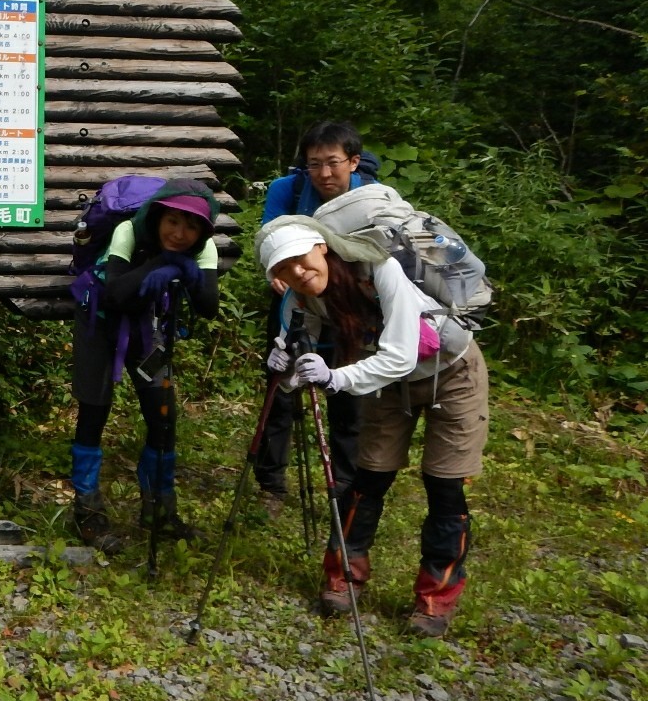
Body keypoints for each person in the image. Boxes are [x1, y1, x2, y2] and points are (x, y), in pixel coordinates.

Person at [257, 217, 490, 637]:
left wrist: (335, 378)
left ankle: (435, 600)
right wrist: (286, 366)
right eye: (283, 268)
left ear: (321, 247)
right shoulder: (298, 299)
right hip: (389, 384)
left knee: (445, 486)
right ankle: (343, 577)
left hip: (452, 373)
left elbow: (400, 354)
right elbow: (294, 355)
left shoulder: (380, 268)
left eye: (300, 258)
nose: (297, 271)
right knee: (369, 478)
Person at [69, 179, 220, 553]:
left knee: (163, 420)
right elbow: (116, 294)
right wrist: (167, 262)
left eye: (191, 226)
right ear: (157, 217)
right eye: (172, 221)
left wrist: (185, 267)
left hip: (149, 330)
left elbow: (208, 306)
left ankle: (159, 512)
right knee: (93, 413)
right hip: (99, 324)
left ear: (203, 230)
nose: (180, 233)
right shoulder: (127, 230)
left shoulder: (204, 248)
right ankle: (87, 513)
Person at [254, 121, 378, 519]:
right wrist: (276, 273)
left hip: (350, 311)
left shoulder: (372, 199)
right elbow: (270, 239)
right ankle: (270, 485)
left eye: (334, 163)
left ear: (353, 162)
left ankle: (343, 486)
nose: (325, 174)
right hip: (297, 303)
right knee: (281, 390)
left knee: (349, 396)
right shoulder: (286, 191)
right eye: (315, 164)